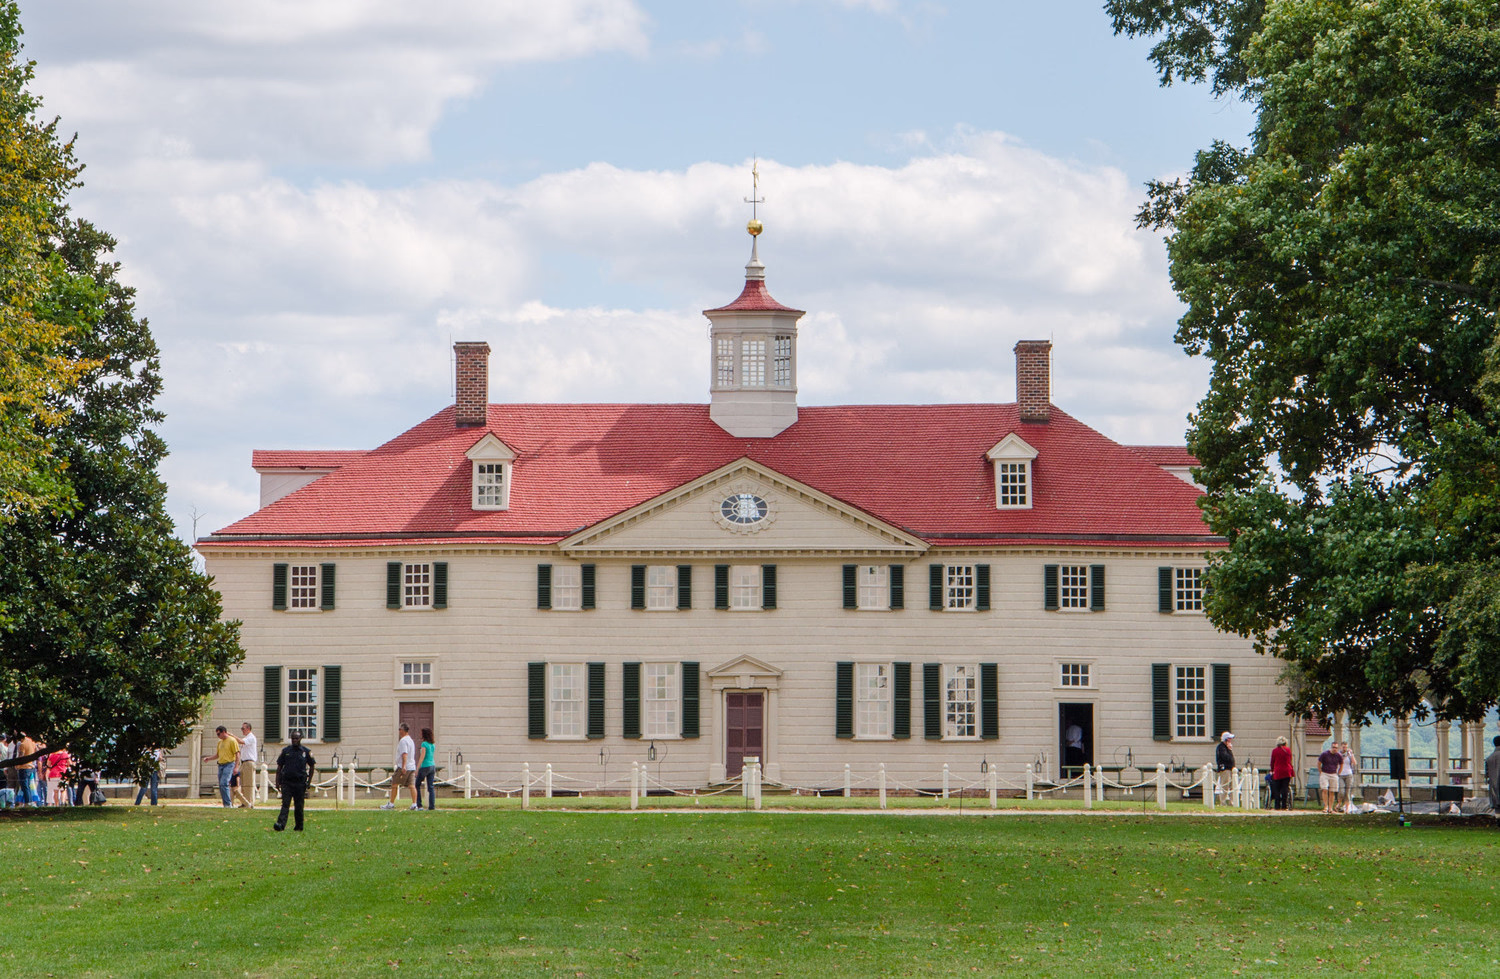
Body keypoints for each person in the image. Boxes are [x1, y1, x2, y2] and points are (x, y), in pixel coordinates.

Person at [273, 731, 316, 832]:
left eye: (296, 738)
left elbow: (312, 766)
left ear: (301, 738)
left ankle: (299, 826)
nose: (294, 740)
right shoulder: (286, 751)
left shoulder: (305, 752)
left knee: (299, 806)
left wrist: (309, 781)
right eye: (292, 738)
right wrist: (277, 781)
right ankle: (280, 824)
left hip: (300, 783)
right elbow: (279, 767)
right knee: (285, 804)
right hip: (287, 782)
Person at [201, 726, 241, 807]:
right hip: (221, 765)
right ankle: (225, 803)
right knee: (221, 784)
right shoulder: (220, 742)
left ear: (224, 732)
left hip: (229, 764)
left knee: (224, 783)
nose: (218, 736)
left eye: (219, 734)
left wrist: (236, 767)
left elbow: (237, 754)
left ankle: (228, 804)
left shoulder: (232, 740)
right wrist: (209, 758)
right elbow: (218, 755)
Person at [380, 722, 415, 810]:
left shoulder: (403, 741)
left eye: (400, 729)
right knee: (411, 785)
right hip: (411, 766)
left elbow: (404, 754)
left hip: (404, 766)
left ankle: (391, 803)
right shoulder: (410, 740)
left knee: (394, 784)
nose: (399, 731)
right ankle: (414, 803)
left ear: (403, 730)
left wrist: (403, 766)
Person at [232, 722, 258, 809]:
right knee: (243, 785)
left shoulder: (251, 738)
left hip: (249, 763)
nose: (242, 730)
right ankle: (244, 802)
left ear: (248, 729)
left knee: (248, 784)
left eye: (243, 728)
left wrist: (231, 735)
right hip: (243, 763)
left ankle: (249, 803)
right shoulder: (247, 738)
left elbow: (240, 741)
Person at [1269, 735, 1294, 810]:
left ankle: (1277, 806)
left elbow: (1272, 762)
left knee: (1277, 789)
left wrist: (1272, 770)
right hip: (1287, 771)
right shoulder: (1288, 750)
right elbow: (1290, 760)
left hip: (1278, 772)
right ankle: (1284, 805)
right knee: (1285, 788)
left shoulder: (1275, 751)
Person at [1317, 741, 1343, 814]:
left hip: (1333, 774)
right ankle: (1325, 806)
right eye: (1333, 747)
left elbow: (1341, 764)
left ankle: (1330, 807)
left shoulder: (1338, 755)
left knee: (1332, 791)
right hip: (1325, 773)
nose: (1335, 749)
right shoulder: (1325, 754)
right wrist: (1320, 772)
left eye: (1336, 748)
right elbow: (1319, 763)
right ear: (1331, 747)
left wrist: (1338, 773)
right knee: (1324, 789)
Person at [414, 727, 436, 811]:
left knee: (417, 785)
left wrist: (417, 768)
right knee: (430, 787)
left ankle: (419, 805)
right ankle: (431, 806)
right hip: (432, 765)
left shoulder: (424, 744)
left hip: (425, 766)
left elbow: (422, 757)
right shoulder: (433, 744)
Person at [16, 733, 39, 806]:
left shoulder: (22, 744)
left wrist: (17, 765)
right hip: (30, 766)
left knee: (24, 786)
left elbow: (21, 757)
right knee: (28, 786)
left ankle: (28, 802)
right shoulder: (32, 742)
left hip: (23, 767)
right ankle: (29, 801)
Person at [1337, 741, 1359, 811]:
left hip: (1348, 774)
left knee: (1347, 792)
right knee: (1341, 791)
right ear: (1341, 747)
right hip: (1340, 774)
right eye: (1343, 747)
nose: (1344, 748)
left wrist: (1351, 754)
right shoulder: (1338, 754)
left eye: (1346, 747)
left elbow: (1355, 763)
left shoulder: (1349, 754)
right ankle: (1339, 803)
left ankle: (1347, 808)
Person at [1214, 732, 1236, 799]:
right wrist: (1229, 750)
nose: (1230, 740)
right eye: (1229, 739)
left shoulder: (1227, 748)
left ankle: (1232, 801)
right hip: (1225, 769)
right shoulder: (1221, 747)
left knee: (1232, 786)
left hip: (1230, 769)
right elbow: (1226, 758)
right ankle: (1223, 802)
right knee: (1225, 786)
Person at [1485, 735, 1499, 812]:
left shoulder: (1489, 758)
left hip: (1494, 787)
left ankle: (1498, 820)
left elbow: (1487, 774)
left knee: (1497, 808)